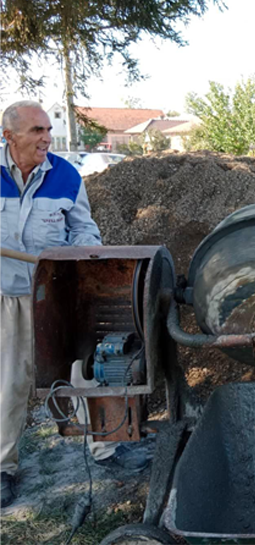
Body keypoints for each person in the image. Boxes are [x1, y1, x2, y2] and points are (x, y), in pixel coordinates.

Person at [0, 101, 146, 509]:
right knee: (7, 383)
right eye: (36, 131)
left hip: (58, 295)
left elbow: (83, 228)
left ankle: (108, 448)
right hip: (5, 296)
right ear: (8, 137)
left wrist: (88, 261)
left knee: (81, 371)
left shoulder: (65, 175)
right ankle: (2, 467)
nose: (46, 137)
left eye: (48, 129)